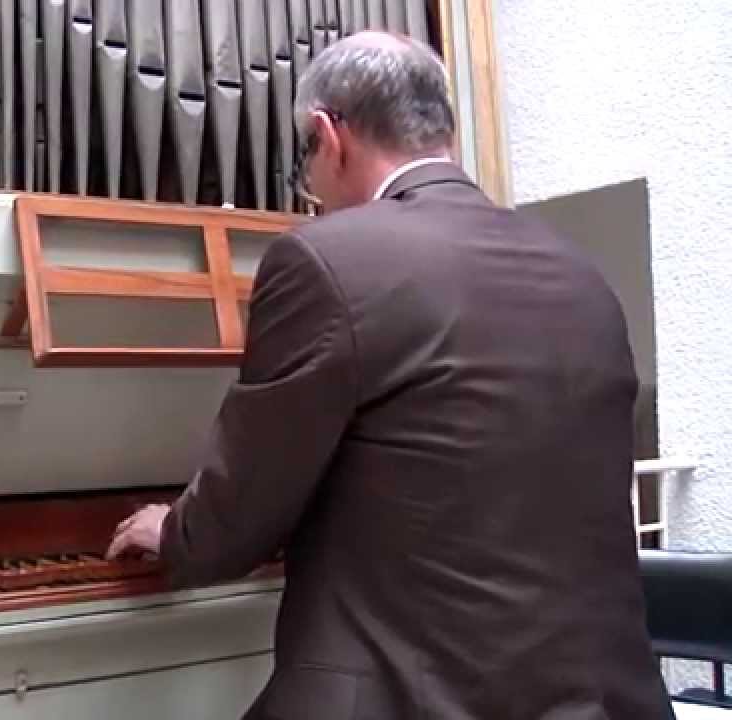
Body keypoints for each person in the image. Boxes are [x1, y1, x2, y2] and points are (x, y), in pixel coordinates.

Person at [107, 31, 671, 719]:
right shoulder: (578, 269)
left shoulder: (326, 258)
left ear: (328, 135)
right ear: (446, 132)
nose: (311, 192)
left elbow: (241, 514)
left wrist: (174, 530)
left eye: (305, 166)